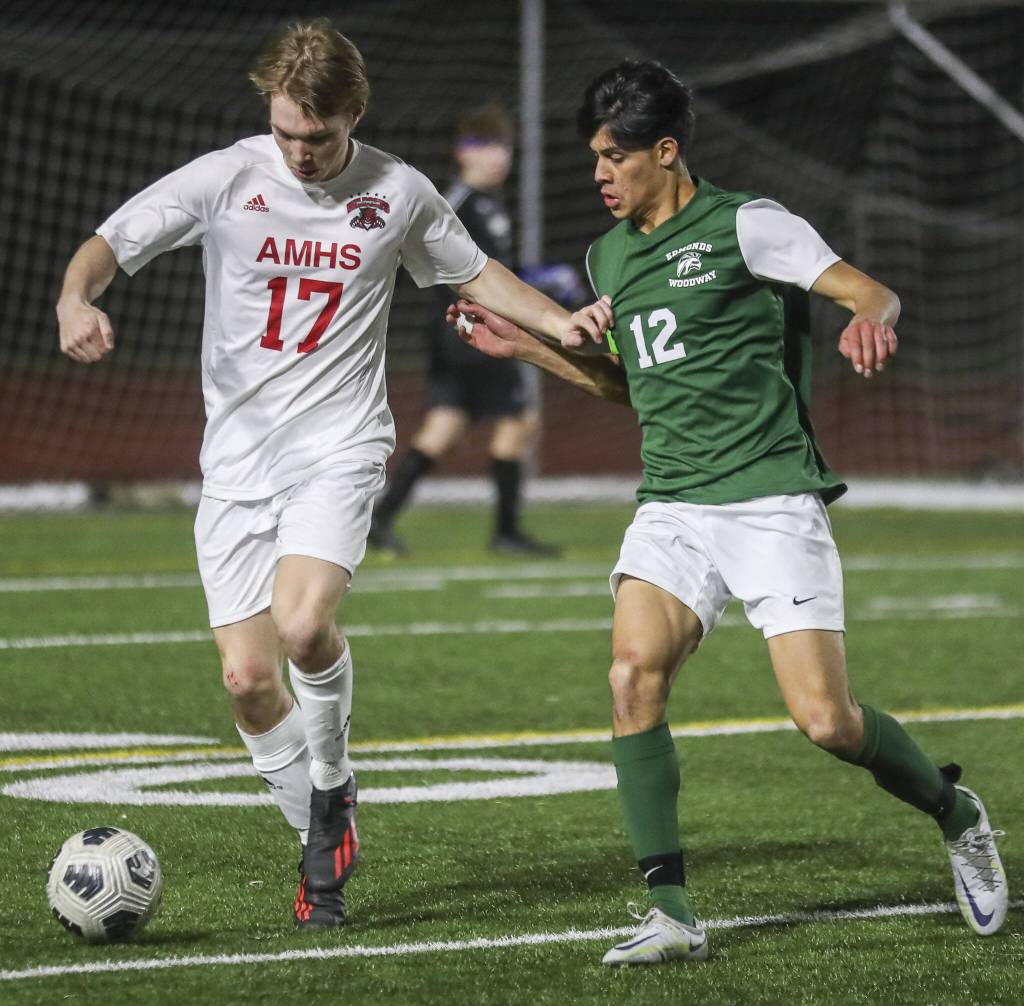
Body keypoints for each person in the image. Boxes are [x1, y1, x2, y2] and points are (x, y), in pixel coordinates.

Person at [448, 58, 1008, 965]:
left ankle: (958, 814)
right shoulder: (607, 257)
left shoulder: (750, 225)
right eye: (593, 154)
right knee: (632, 676)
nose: (599, 173)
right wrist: (524, 342)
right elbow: (628, 386)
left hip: (769, 498)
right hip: (672, 502)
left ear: (665, 152)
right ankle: (672, 912)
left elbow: (867, 288)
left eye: (615, 156)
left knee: (827, 722)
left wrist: (872, 316)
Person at [54, 19, 600, 930]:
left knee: (306, 624)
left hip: (340, 448)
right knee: (246, 683)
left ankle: (333, 778)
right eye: (287, 133)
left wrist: (561, 324)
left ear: (356, 113)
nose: (301, 153)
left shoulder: (399, 191)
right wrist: (77, 297)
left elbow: (477, 276)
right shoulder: (228, 176)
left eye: (320, 136)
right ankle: (319, 831)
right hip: (235, 466)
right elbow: (107, 244)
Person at [369, 104, 559, 557]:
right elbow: (463, 273)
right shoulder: (457, 203)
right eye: (485, 145)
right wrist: (537, 282)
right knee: (519, 419)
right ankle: (506, 532)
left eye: (503, 146)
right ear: (462, 153)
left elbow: (493, 268)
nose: (498, 156)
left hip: (459, 332)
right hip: (468, 329)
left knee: (446, 425)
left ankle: (381, 518)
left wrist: (532, 274)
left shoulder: (489, 203)